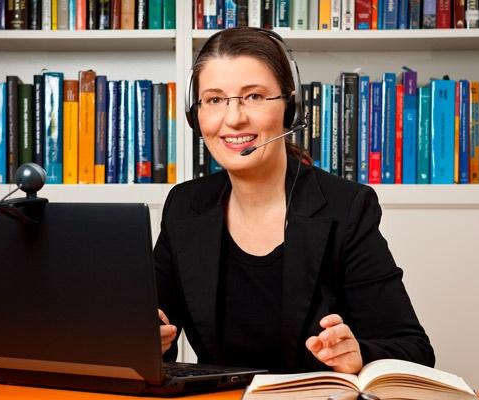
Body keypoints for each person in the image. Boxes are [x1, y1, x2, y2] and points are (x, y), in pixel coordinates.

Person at [154, 27, 434, 374]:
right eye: (214, 100)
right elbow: (151, 336)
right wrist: (146, 338)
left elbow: (414, 349)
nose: (233, 118)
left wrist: (358, 352)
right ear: (195, 114)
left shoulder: (346, 207)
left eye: (254, 97)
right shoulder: (185, 206)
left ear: (290, 106)